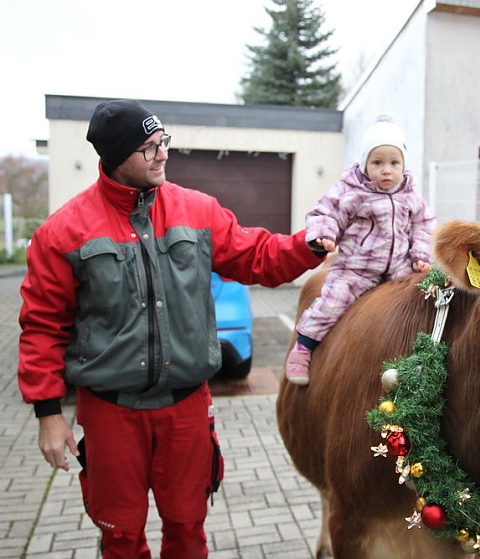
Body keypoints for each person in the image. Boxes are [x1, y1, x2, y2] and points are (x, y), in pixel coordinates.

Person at [17, 99, 326, 558]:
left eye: (163, 142)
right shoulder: (64, 232)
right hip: (110, 414)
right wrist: (48, 414)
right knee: (120, 536)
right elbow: (42, 326)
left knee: (187, 531)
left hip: (186, 409)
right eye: (148, 148)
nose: (163, 154)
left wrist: (311, 244)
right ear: (114, 156)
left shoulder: (197, 211)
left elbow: (257, 255)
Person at [284, 116, 436, 385]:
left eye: (394, 162)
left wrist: (420, 255)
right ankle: (303, 347)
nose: (386, 170)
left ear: (403, 164)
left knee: (422, 301)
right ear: (365, 164)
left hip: (399, 269)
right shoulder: (351, 191)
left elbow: (423, 225)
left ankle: (424, 360)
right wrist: (325, 235)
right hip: (355, 269)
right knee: (331, 302)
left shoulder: (410, 194)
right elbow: (325, 213)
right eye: (377, 163)